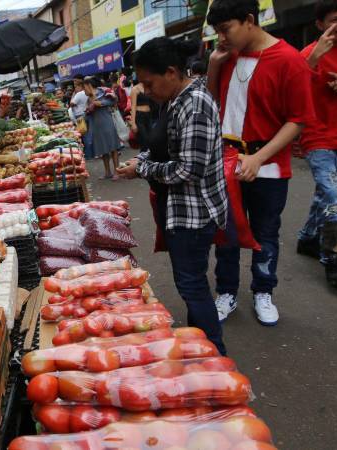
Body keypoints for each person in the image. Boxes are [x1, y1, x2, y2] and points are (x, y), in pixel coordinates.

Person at [206, 0, 316, 325]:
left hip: (268, 165)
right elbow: (212, 104)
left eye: (225, 29)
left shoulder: (289, 60)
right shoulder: (226, 56)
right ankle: (226, 291)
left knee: (265, 233)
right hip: (226, 161)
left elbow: (298, 119)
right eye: (217, 32)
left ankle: (263, 291)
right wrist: (213, 66)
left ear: (249, 20)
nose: (221, 38)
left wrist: (258, 157)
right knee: (225, 231)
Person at [117, 37, 228, 355]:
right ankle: (200, 346)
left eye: (149, 83)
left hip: (194, 213)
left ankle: (214, 352)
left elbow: (188, 170)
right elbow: (161, 146)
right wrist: (143, 160)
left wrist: (142, 169)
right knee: (189, 282)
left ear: (171, 72)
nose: (146, 91)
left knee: (192, 285)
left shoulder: (195, 105)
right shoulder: (173, 99)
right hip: (178, 208)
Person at [296, 0, 337, 287]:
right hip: (318, 140)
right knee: (334, 200)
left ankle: (307, 238)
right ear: (320, 24)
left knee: (329, 196)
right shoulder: (307, 54)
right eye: (335, 19)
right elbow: (291, 91)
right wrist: (315, 58)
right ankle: (332, 255)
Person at [84, 76, 121, 179]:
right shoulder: (88, 99)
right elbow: (88, 112)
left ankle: (117, 171)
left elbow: (113, 101)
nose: (84, 90)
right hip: (96, 126)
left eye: (85, 87)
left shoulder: (104, 92)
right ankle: (107, 172)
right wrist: (88, 111)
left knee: (113, 148)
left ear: (89, 86)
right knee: (103, 149)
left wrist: (100, 103)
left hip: (107, 123)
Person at [130, 82, 160, 151]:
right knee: (144, 141)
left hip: (149, 115)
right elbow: (133, 107)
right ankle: (143, 156)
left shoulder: (149, 87)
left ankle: (150, 156)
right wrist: (133, 123)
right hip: (139, 116)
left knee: (151, 139)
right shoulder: (135, 89)